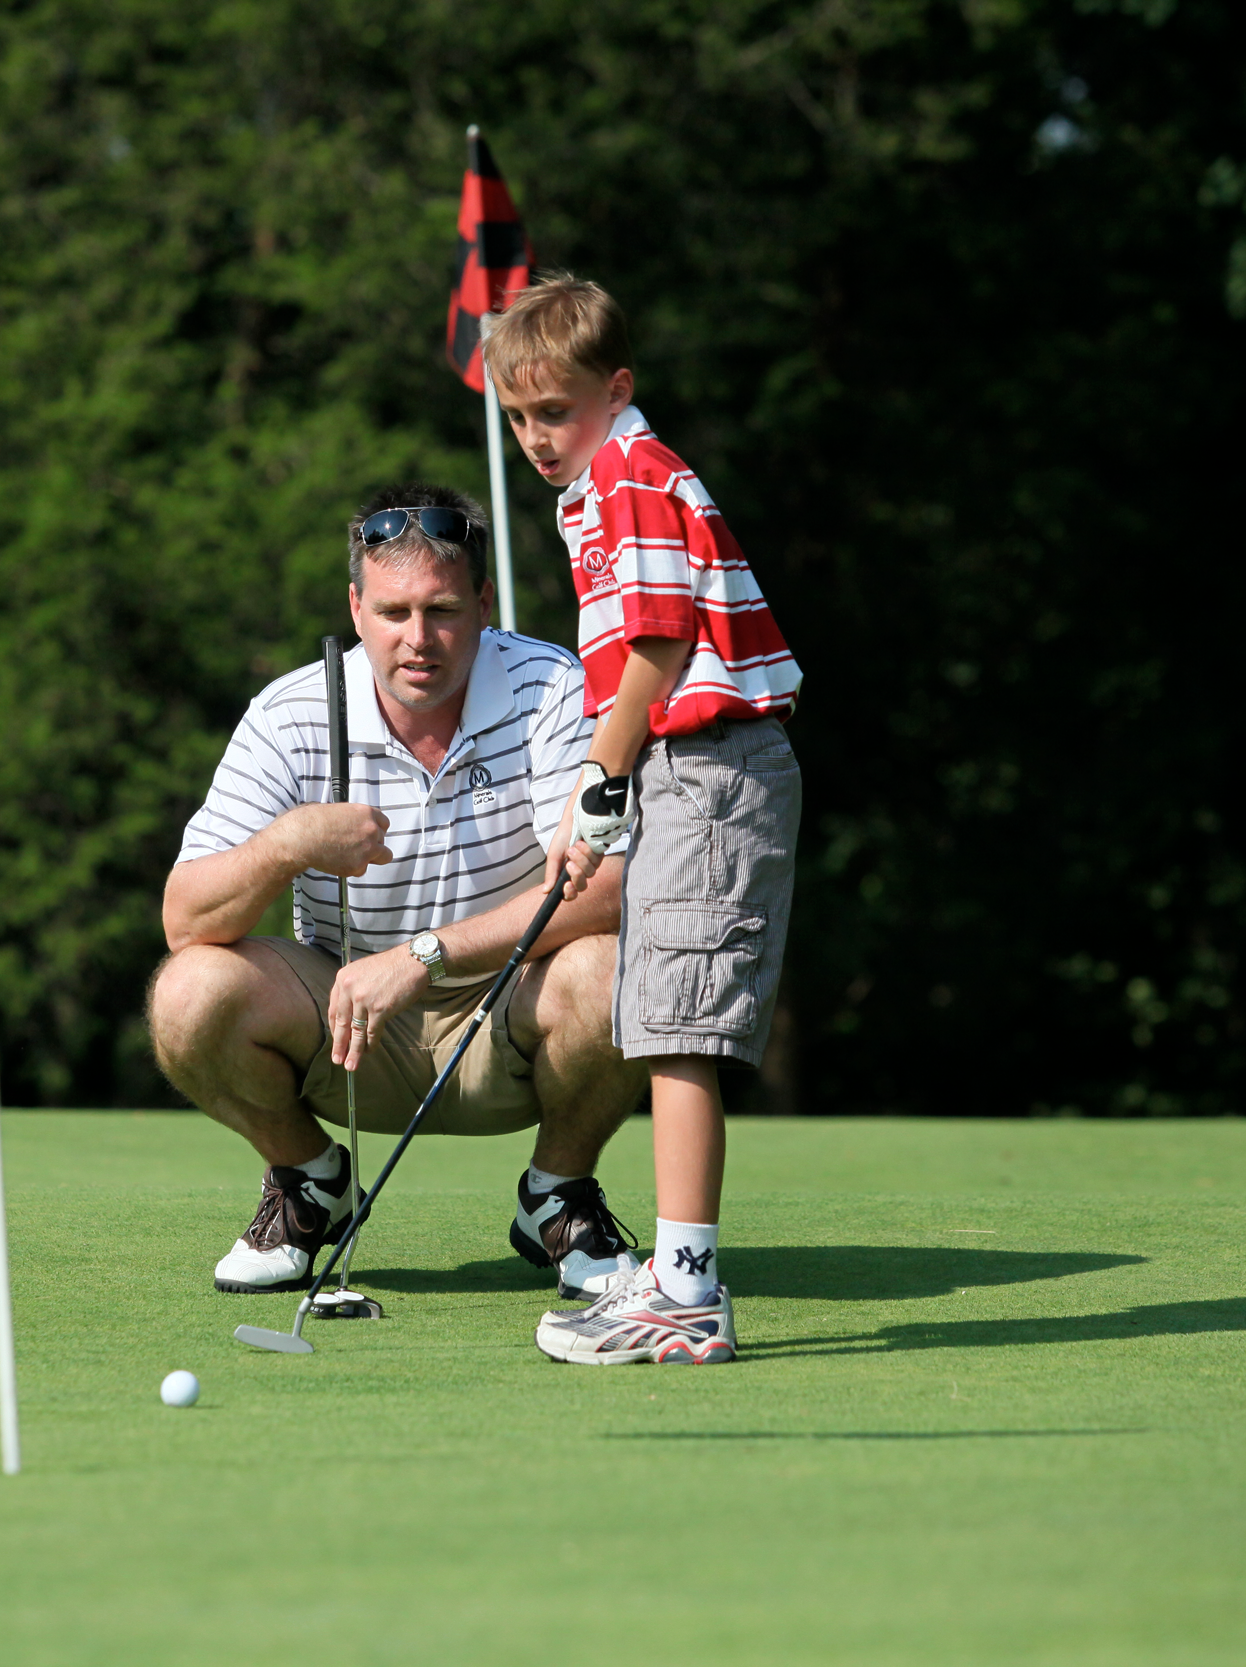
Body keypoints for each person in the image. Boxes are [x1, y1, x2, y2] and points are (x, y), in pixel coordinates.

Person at [150, 483, 647, 1301]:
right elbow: (183, 917)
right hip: (348, 1030)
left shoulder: (550, 686)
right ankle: (312, 1183)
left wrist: (424, 956)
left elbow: (609, 889)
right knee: (186, 993)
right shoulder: (291, 711)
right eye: (392, 612)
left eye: (444, 609)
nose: (419, 639)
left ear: (484, 603)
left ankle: (557, 1197)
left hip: (512, 1008)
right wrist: (292, 843)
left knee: (620, 964)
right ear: (355, 607)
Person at [485, 275, 805, 1366]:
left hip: (707, 764)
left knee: (678, 1027)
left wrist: (601, 779)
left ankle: (686, 1293)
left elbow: (661, 646)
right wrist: (614, 784)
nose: (535, 436)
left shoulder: (629, 469)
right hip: (682, 766)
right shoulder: (607, 475)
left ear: (614, 389)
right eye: (517, 417)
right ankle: (677, 1278)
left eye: (553, 411)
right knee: (665, 1018)